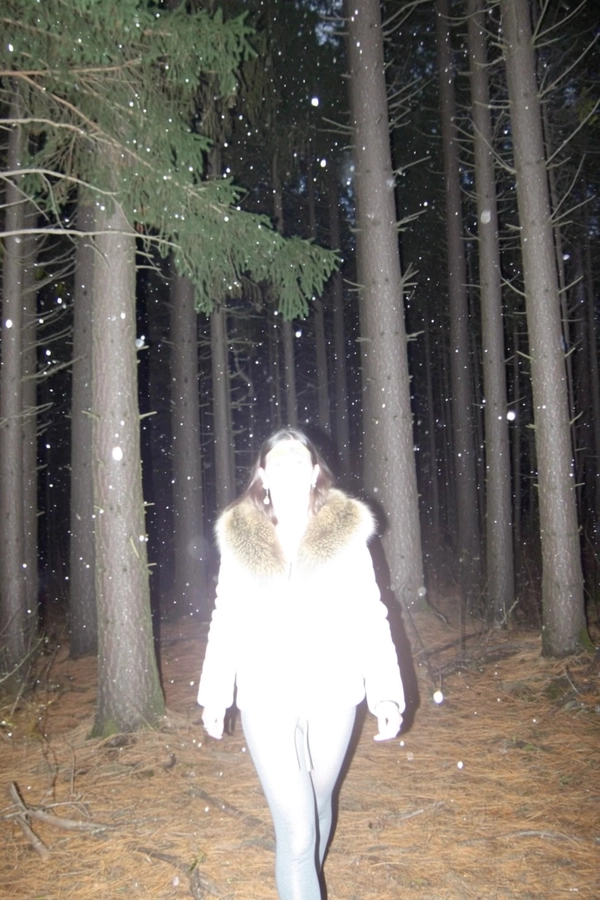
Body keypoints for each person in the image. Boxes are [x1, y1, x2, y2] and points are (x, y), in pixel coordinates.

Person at [198, 427, 405, 900]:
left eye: (298, 463)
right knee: (296, 832)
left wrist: (386, 691)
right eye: (278, 464)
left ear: (314, 473)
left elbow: (370, 615)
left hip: (333, 695)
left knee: (318, 806)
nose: (289, 472)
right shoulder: (242, 537)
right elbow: (225, 616)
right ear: (263, 476)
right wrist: (215, 692)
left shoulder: (345, 536)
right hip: (264, 698)